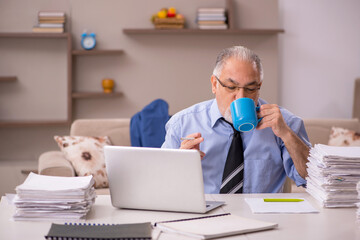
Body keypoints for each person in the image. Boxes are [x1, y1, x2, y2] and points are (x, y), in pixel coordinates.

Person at [161, 46, 311, 194]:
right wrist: (180, 164)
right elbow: (160, 186)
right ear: (214, 84)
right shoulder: (182, 124)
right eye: (232, 87)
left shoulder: (285, 123)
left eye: (251, 89)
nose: (241, 97)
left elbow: (310, 179)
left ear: (259, 86)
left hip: (264, 216)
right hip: (205, 215)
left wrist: (287, 135)